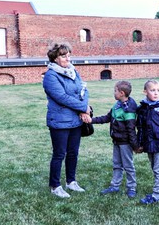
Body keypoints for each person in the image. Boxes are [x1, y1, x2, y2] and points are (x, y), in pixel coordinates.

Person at [44, 42, 91, 198]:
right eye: (64, 56)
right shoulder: (51, 76)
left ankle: (71, 182)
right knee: (59, 154)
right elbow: (62, 97)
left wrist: (85, 107)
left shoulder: (73, 71)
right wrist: (83, 108)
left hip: (75, 121)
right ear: (55, 58)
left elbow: (83, 89)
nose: (67, 58)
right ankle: (55, 185)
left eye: (69, 55)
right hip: (59, 121)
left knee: (73, 153)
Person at [92, 80, 139, 198]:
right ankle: (115, 186)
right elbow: (107, 118)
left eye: (115, 91)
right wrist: (91, 120)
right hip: (116, 141)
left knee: (128, 165)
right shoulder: (117, 105)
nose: (114, 93)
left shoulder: (129, 110)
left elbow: (131, 130)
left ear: (122, 93)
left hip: (125, 143)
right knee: (117, 164)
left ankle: (131, 187)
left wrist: (135, 146)